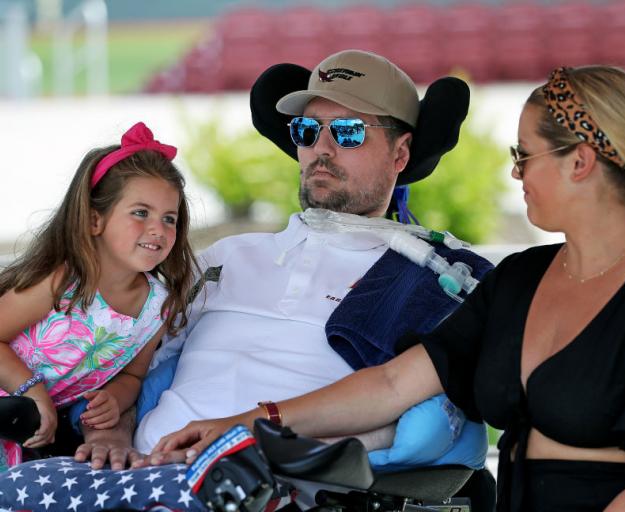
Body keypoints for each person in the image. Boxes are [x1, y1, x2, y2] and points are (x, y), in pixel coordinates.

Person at [0, 50, 494, 511]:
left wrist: (270, 444)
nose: (320, 149)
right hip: (135, 473)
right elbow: (133, 364)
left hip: (263, 484)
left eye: (347, 133)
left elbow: (409, 404)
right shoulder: (225, 258)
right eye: (306, 130)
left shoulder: (431, 276)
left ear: (401, 154)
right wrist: (114, 432)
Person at [155, 65, 625, 511]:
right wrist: (248, 423)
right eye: (308, 131)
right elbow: (392, 384)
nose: (515, 172)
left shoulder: (453, 271)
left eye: (522, 155)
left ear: (581, 162)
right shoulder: (519, 277)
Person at [0, 122, 197, 471]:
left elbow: (134, 376)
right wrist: (31, 389)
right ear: (95, 220)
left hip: (38, 419)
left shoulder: (157, 305)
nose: (158, 229)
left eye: (170, 218)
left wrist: (114, 399)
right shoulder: (62, 281)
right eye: (141, 212)